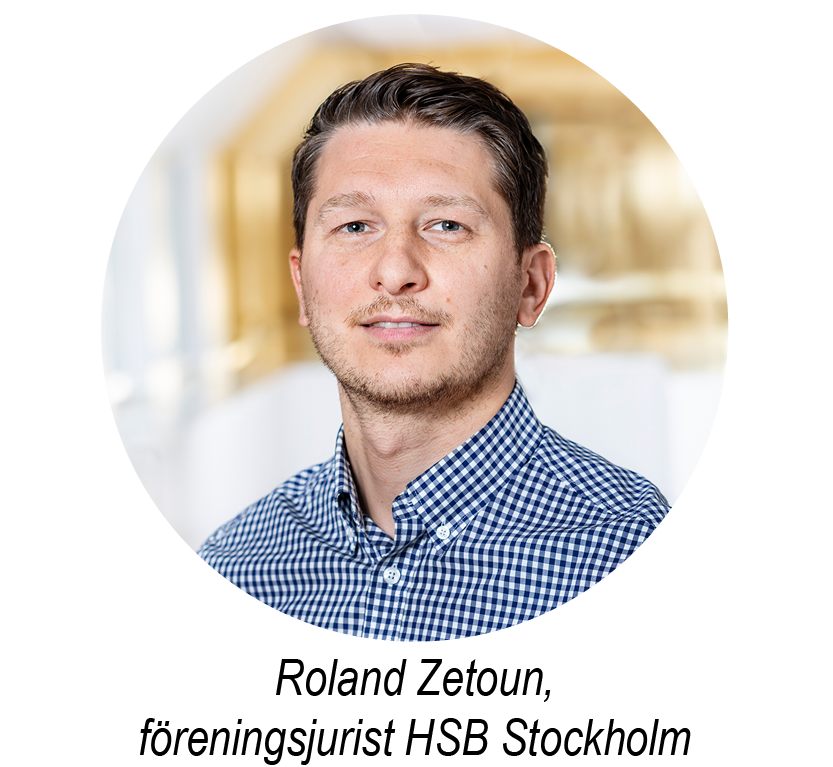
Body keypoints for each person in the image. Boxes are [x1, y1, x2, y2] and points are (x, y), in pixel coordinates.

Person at [198, 63, 669, 641]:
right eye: (354, 226)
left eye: (446, 225)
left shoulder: (634, 554)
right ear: (302, 285)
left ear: (530, 285)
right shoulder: (233, 569)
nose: (395, 271)